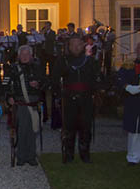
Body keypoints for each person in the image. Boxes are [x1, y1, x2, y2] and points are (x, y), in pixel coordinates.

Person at [51, 35, 103, 163]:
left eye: (78, 44)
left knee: (85, 127)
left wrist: (96, 92)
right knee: (69, 128)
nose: (75, 47)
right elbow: (55, 79)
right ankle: (69, 155)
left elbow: (97, 78)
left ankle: (85, 154)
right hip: (68, 98)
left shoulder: (90, 61)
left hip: (86, 98)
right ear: (68, 46)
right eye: (72, 44)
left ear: (83, 45)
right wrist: (58, 95)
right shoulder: (63, 61)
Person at [7, 45, 46, 166]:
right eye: (22, 54)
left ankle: (31, 156)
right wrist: (9, 97)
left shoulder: (37, 67)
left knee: (33, 130)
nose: (24, 57)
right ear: (18, 56)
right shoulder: (13, 68)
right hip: (20, 103)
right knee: (22, 130)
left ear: (31, 55)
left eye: (27, 54)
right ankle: (21, 156)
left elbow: (46, 83)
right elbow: (7, 84)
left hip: (33, 103)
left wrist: (38, 84)